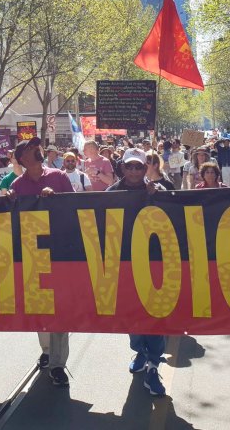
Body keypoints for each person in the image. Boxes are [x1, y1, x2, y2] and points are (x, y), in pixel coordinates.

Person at [8, 137, 74, 387]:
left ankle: (58, 364)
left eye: (37, 147)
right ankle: (46, 351)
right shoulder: (17, 185)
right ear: (21, 159)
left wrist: (56, 199)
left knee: (59, 310)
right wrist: (9, 202)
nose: (37, 150)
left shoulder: (59, 176)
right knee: (40, 307)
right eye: (29, 149)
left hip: (60, 254)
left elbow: (77, 208)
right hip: (33, 256)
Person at [105, 148, 164, 396]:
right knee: (132, 313)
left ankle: (153, 363)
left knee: (155, 313)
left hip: (153, 263)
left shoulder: (158, 190)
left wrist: (157, 197)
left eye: (138, 167)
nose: (133, 171)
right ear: (122, 168)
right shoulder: (111, 193)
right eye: (129, 166)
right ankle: (139, 350)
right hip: (124, 263)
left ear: (145, 168)